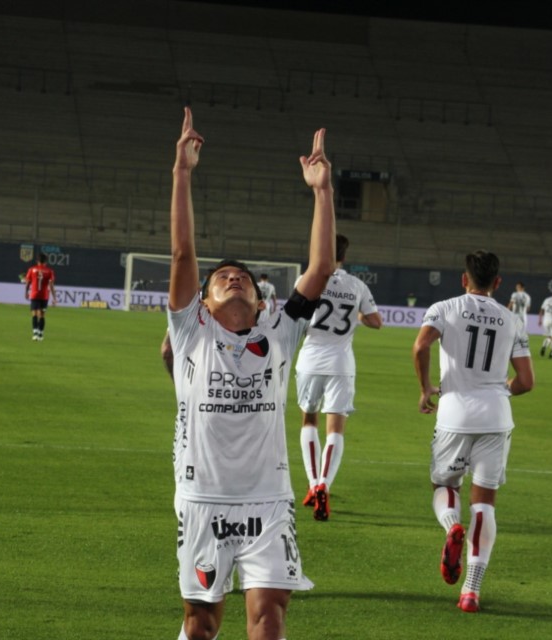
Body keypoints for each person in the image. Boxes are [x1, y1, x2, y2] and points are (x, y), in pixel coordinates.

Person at [168, 106, 335, 640]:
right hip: (203, 500)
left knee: (268, 621)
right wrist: (182, 174)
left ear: (263, 303)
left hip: (269, 501)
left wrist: (322, 191)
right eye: (222, 279)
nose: (233, 280)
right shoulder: (191, 332)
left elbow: (321, 269)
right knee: (201, 625)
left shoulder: (279, 332)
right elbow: (181, 253)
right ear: (203, 303)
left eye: (242, 277)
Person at [413, 250, 534, 614]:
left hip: (454, 414)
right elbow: (527, 382)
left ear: (464, 279)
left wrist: (425, 388)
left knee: (445, 487)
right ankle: (471, 591)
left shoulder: (445, 307)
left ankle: (451, 525)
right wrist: (500, 389)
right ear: (497, 283)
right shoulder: (512, 319)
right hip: (496, 418)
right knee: (485, 503)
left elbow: (420, 346)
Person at [295, 234, 382, 521]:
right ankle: (324, 485)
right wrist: (356, 317)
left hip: (310, 360)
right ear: (344, 255)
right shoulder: (356, 285)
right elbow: (376, 322)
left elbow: (294, 317)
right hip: (341, 363)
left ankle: (311, 484)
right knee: (336, 430)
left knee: (309, 420)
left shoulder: (308, 280)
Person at [24, 253, 57, 341]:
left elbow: (28, 282)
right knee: (42, 315)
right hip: (44, 295)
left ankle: (35, 333)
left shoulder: (31, 269)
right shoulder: (50, 271)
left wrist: (26, 292)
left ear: (37, 261)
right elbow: (51, 285)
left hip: (34, 294)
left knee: (34, 314)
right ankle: (41, 334)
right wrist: (54, 298)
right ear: (46, 261)